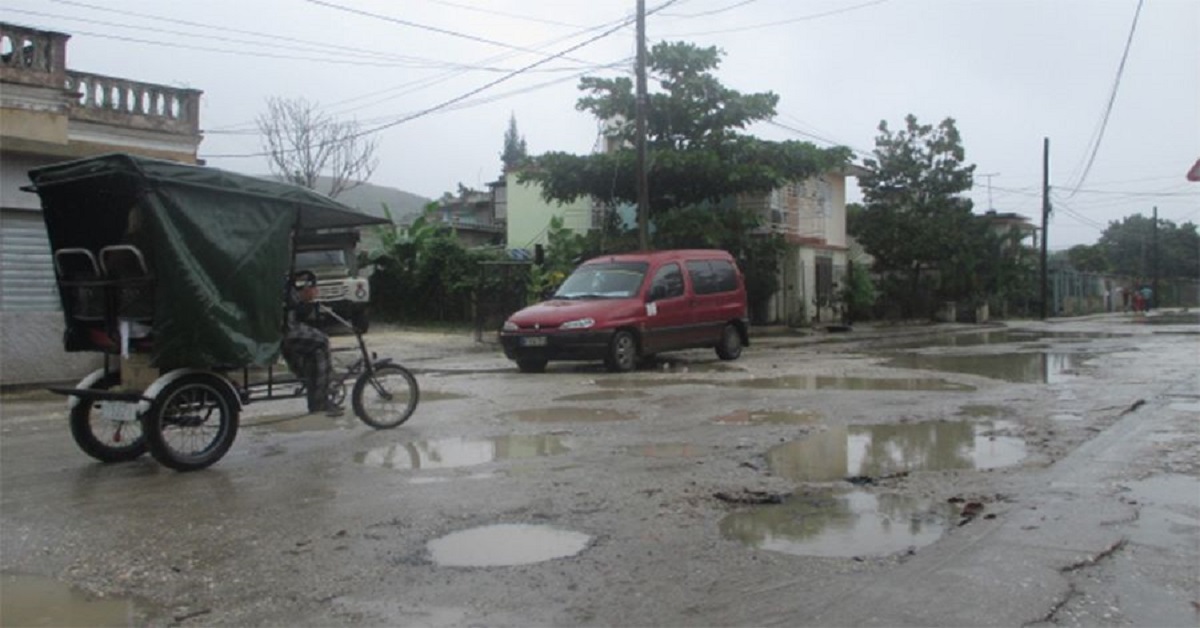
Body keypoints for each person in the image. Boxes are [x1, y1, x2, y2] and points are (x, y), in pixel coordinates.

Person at [282, 275, 342, 416]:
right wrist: (304, 296)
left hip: (287, 327)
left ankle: (316, 392)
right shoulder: (280, 284)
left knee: (317, 349)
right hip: (286, 330)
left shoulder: (282, 281)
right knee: (322, 342)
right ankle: (320, 400)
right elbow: (292, 306)